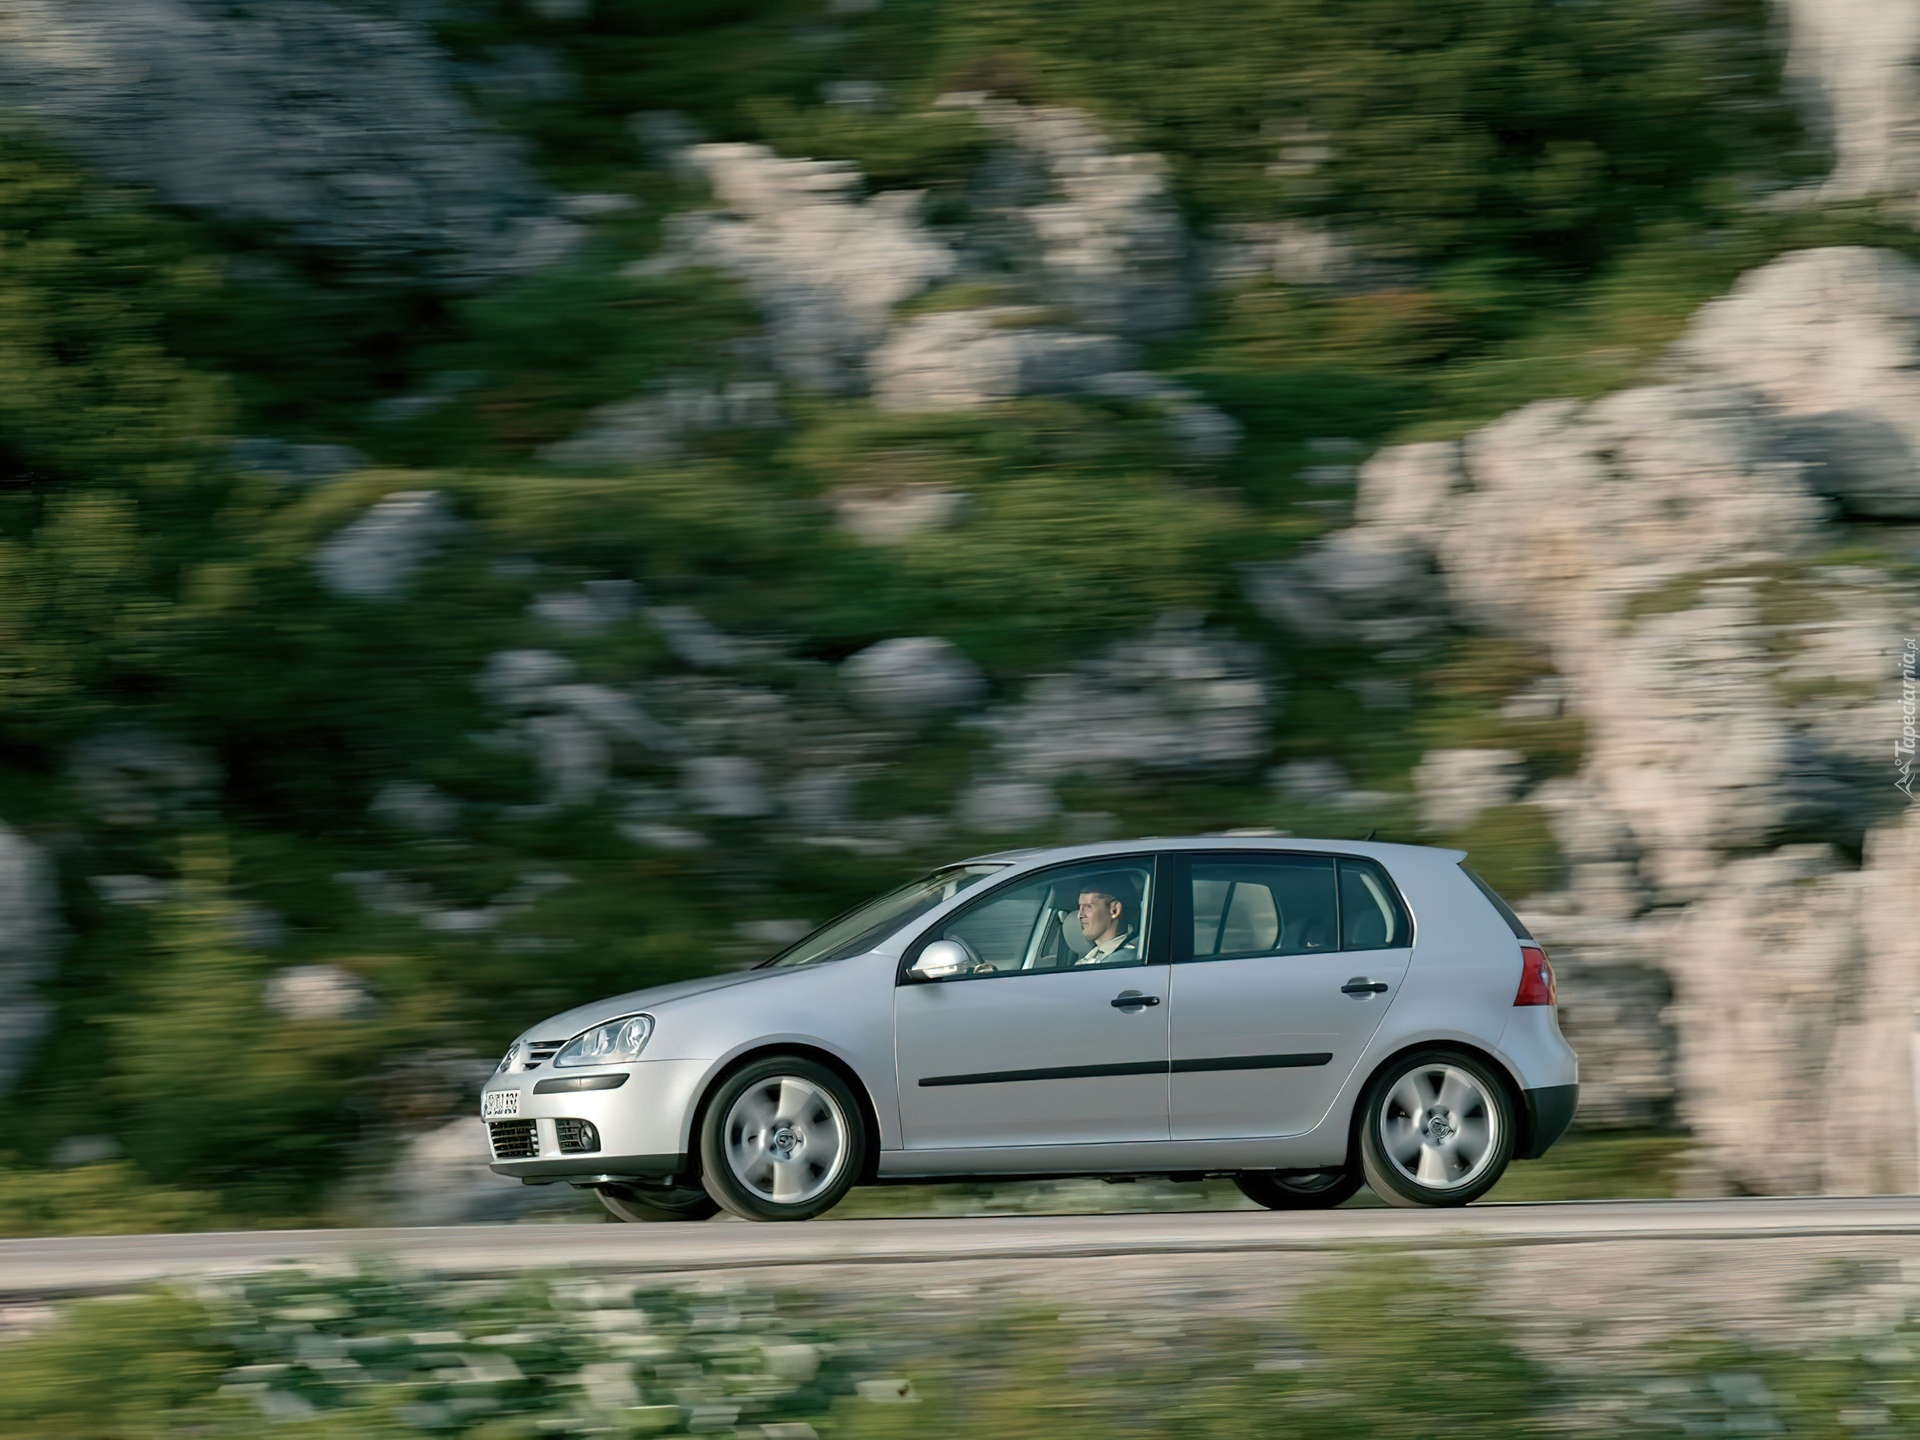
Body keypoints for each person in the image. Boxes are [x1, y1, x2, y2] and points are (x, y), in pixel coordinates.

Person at [1073, 874, 1141, 966]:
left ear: (1114, 910)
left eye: (1088, 906)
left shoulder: (1126, 961)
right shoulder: (1091, 958)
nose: (1079, 915)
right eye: (1079, 907)